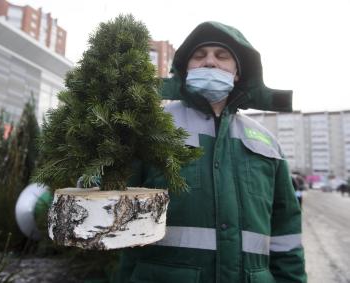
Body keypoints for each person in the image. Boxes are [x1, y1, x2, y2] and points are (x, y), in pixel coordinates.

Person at [113, 21, 306, 283]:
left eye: (222, 56)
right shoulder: (149, 129)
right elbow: (118, 221)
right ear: (185, 69)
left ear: (237, 72)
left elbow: (286, 231)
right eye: (199, 56)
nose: (210, 62)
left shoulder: (267, 142)